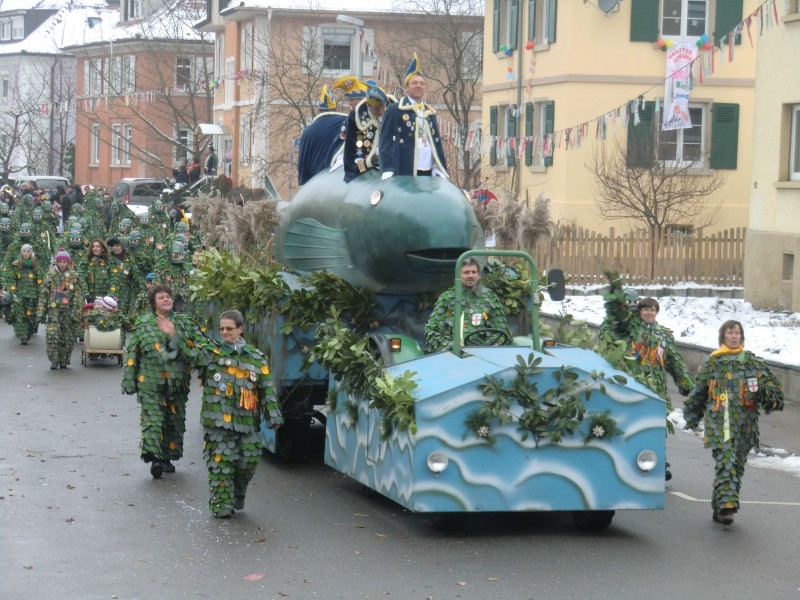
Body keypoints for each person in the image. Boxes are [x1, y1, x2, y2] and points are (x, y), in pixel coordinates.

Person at [157, 309, 282, 518]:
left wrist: (273, 416)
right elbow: (186, 354)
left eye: (229, 329)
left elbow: (267, 388)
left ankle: (237, 493)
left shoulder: (256, 357)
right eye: (221, 328)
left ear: (240, 329)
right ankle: (221, 505)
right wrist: (172, 335)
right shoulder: (210, 353)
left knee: (249, 460)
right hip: (217, 423)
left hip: (247, 422)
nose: (224, 332)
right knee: (221, 463)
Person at [683, 320, 784, 525]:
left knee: (736, 465)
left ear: (742, 336)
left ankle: (719, 506)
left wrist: (768, 394)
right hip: (720, 422)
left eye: (737, 332)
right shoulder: (712, 362)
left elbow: (772, 388)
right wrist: (692, 416)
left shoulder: (753, 362)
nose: (734, 336)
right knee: (726, 461)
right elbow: (699, 392)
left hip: (746, 424)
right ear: (723, 336)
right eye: (730, 333)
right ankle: (727, 508)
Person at [601, 269, 693, 480]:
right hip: (632, 386)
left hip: (656, 390)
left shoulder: (664, 335)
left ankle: (659, 463)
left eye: (653, 310)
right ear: (638, 312)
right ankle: (625, 460)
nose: (649, 313)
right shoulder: (628, 330)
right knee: (629, 425)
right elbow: (617, 320)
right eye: (645, 310)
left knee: (657, 427)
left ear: (656, 312)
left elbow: (674, 361)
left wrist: (684, 381)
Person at [121, 284, 199, 478]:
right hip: (150, 382)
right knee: (153, 420)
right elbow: (133, 352)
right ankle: (155, 459)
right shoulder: (144, 323)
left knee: (174, 421)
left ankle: (166, 458)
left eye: (168, 296)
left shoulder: (185, 323)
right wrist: (129, 379)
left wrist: (174, 335)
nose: (166, 299)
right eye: (161, 297)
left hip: (177, 383)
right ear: (153, 303)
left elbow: (196, 350)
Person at [379, 53, 448, 180]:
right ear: (406, 87)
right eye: (414, 83)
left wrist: (438, 166)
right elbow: (386, 141)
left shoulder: (430, 112)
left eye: (422, 83)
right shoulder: (395, 110)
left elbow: (436, 143)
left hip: (427, 169)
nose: (418, 86)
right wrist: (388, 168)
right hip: (405, 168)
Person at [425, 257, 511, 353]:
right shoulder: (447, 298)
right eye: (466, 272)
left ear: (478, 275)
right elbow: (432, 329)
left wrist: (487, 347)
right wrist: (452, 347)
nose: (470, 275)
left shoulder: (489, 297)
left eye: (473, 272)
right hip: (451, 356)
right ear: (458, 275)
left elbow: (501, 333)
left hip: (482, 356)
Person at [38, 248, 83, 370]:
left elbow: (78, 295)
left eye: (64, 262)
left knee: (67, 337)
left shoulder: (74, 277)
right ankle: (54, 360)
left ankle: (64, 359)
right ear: (56, 262)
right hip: (54, 310)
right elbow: (44, 294)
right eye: (60, 262)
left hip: (68, 310)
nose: (62, 264)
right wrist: (41, 311)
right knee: (53, 335)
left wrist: (76, 311)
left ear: (68, 263)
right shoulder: (50, 275)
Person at [297, 85, 348, 185]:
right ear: (335, 108)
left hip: (317, 185)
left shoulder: (308, 132)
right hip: (341, 181)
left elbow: (303, 169)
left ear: (319, 109)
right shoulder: (346, 122)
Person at [343, 85, 391, 182]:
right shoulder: (355, 117)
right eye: (377, 109)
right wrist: (363, 165)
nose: (381, 111)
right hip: (366, 160)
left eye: (383, 107)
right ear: (368, 105)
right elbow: (353, 148)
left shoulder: (392, 110)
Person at [2, 243, 43, 344]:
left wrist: (40, 292)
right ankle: (22, 336)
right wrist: (12, 290)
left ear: (31, 253)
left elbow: (39, 280)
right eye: (24, 251)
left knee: (30, 315)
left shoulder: (35, 264)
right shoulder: (16, 265)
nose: (26, 253)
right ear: (21, 252)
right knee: (20, 315)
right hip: (19, 294)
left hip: (32, 295)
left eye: (28, 251)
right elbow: (12, 278)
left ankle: (29, 331)